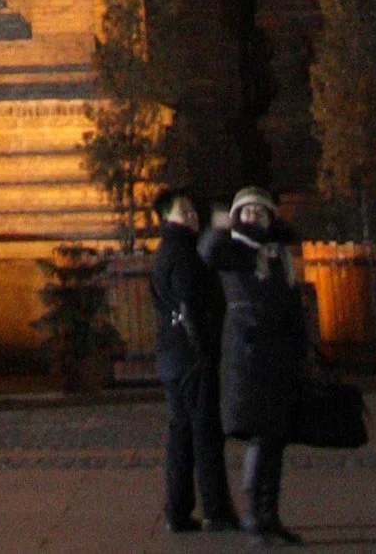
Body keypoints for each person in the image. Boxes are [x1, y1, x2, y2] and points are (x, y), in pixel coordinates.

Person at [204, 189, 306, 544]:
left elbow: (292, 303)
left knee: (275, 440)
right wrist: (221, 223)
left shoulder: (278, 255)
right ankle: (254, 517)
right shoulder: (235, 248)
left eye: (259, 212)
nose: (252, 217)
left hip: (277, 359)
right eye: (245, 211)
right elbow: (209, 252)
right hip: (247, 360)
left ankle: (270, 515)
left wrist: (300, 351)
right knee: (259, 439)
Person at [150, 192, 239, 531]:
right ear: (167, 216)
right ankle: (215, 509)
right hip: (191, 356)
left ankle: (178, 510)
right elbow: (191, 306)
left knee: (182, 432)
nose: (192, 216)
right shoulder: (184, 253)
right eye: (183, 211)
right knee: (205, 434)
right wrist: (205, 350)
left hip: (171, 354)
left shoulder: (166, 251)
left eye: (192, 209)